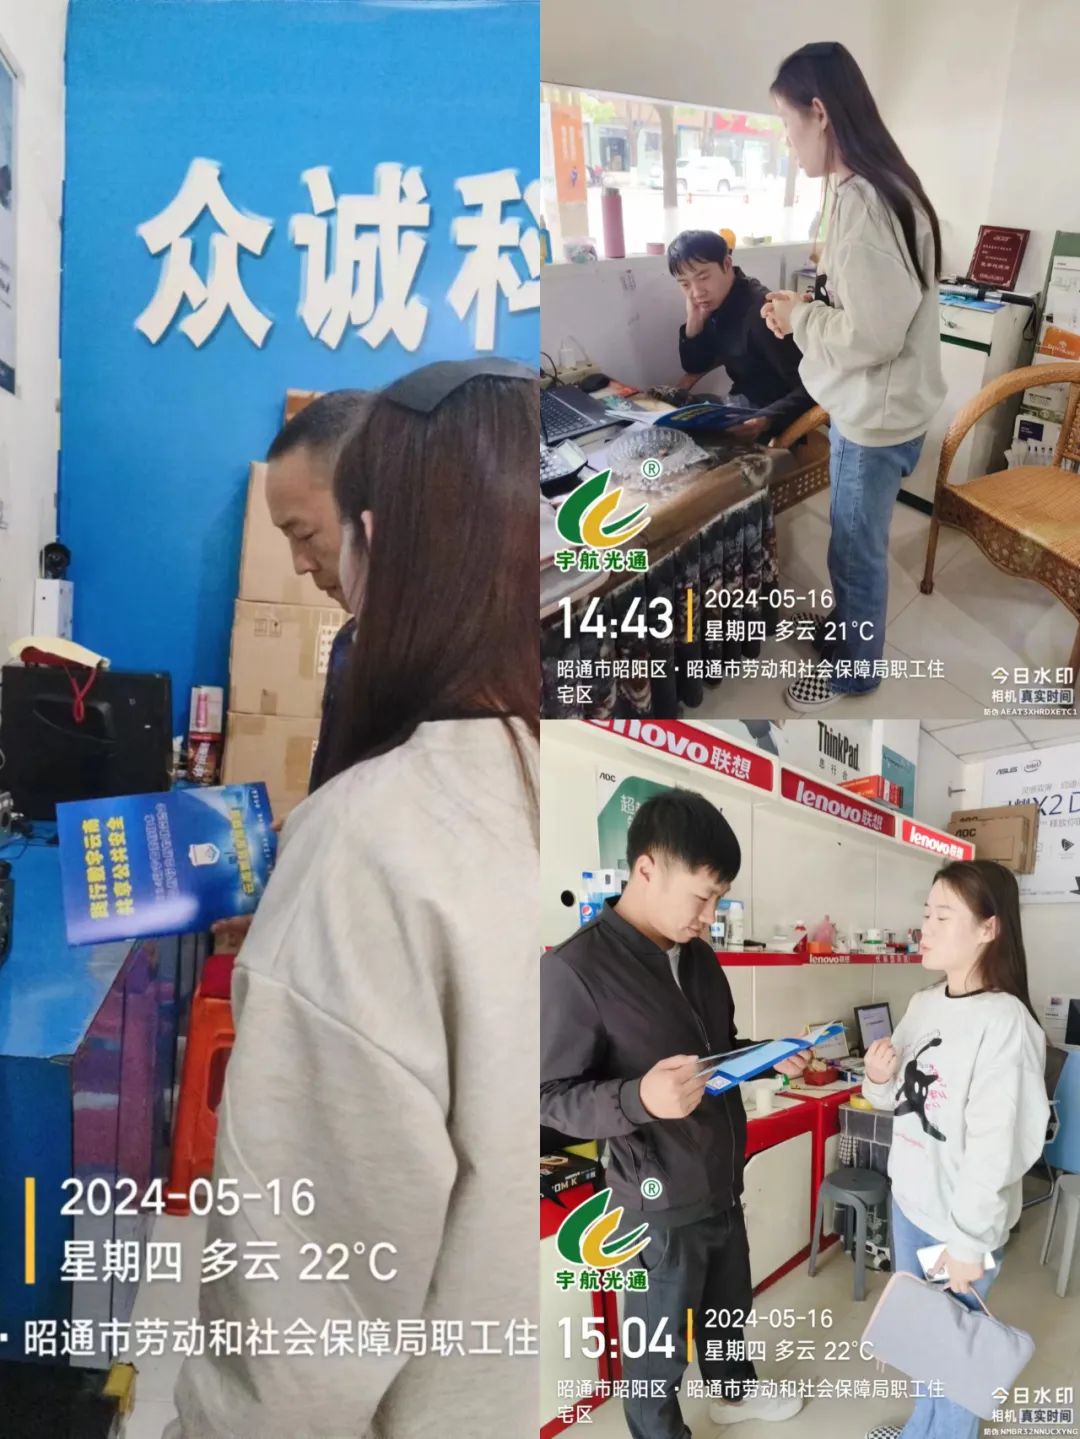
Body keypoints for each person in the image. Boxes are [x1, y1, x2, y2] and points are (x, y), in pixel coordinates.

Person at [170, 358, 539, 1439]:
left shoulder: (378, 838)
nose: (305, 564)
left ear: (377, 534)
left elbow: (300, 1320)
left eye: (313, 533)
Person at [541, 789, 809, 1439]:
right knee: (657, 1351)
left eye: (720, 899)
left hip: (720, 1174)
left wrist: (770, 1057)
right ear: (647, 869)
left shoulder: (699, 958)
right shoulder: (577, 969)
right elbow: (548, 1097)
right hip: (655, 1199)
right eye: (702, 897)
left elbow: (719, 1048)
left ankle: (733, 1393)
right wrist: (639, 1098)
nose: (710, 916)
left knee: (727, 1310)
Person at [761, 42, 946, 713]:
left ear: (819, 112)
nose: (788, 145)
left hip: (875, 417)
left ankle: (854, 671)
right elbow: (865, 304)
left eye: (788, 126)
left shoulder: (866, 202)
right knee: (852, 543)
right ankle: (846, 630)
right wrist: (806, 309)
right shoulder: (863, 188)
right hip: (878, 406)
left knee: (855, 552)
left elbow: (872, 335)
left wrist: (801, 318)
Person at [860, 860, 1049, 1439]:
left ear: (989, 928)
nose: (926, 927)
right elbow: (897, 1099)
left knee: (954, 1360)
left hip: (957, 1226)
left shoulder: (1005, 1023)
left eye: (943, 916)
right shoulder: (923, 1004)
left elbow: (997, 1148)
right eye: (927, 913)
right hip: (912, 1208)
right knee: (925, 1340)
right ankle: (921, 1428)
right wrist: (876, 1076)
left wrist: (969, 1243)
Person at [209, 388, 371, 951]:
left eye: (304, 535)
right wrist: (312, 825)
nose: (299, 565)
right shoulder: (351, 644)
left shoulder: (448, 672)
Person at [670, 229, 812, 442]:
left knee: (682, 442)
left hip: (769, 417)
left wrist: (767, 419)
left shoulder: (763, 314)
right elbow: (695, 366)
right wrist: (694, 320)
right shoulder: (715, 302)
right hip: (739, 403)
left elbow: (811, 385)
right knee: (669, 416)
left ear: (727, 264)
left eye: (703, 277)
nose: (697, 292)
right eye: (685, 284)